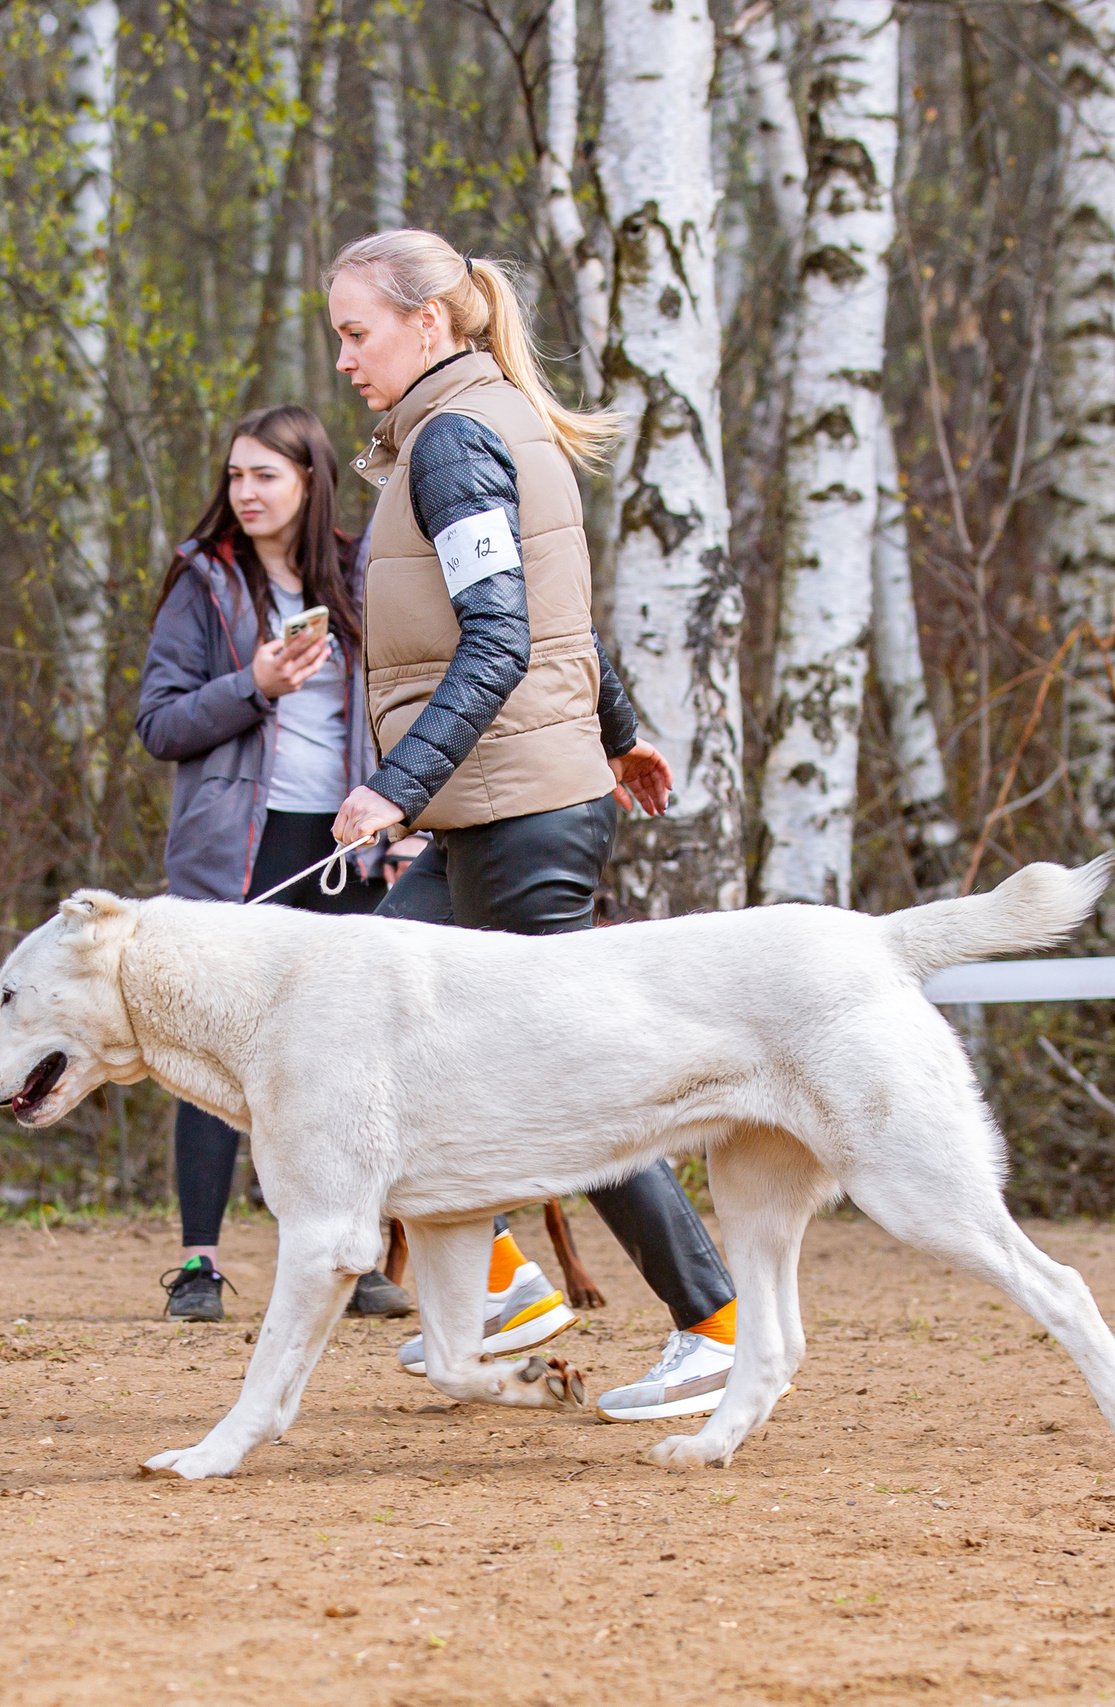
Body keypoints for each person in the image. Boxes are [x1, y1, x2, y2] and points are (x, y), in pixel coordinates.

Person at [323, 227, 744, 1424]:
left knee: (567, 1087)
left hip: (509, 811)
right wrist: (616, 727)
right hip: (506, 802)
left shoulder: (452, 441)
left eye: (358, 333)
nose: (346, 358)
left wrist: (394, 787)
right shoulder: (481, 421)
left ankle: (710, 1324)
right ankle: (502, 1290)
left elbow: (503, 636)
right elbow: (560, 615)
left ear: (429, 321)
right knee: (372, 1033)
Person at [134, 404, 418, 1326]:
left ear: (309, 481)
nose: (245, 493)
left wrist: (398, 816)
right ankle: (199, 1265)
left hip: (339, 849)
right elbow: (159, 723)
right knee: (213, 1050)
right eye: (235, 476)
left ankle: (355, 1249)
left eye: (266, 476)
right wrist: (252, 685)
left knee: (341, 1056)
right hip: (232, 852)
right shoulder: (203, 581)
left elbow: (393, 705)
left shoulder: (357, 574)